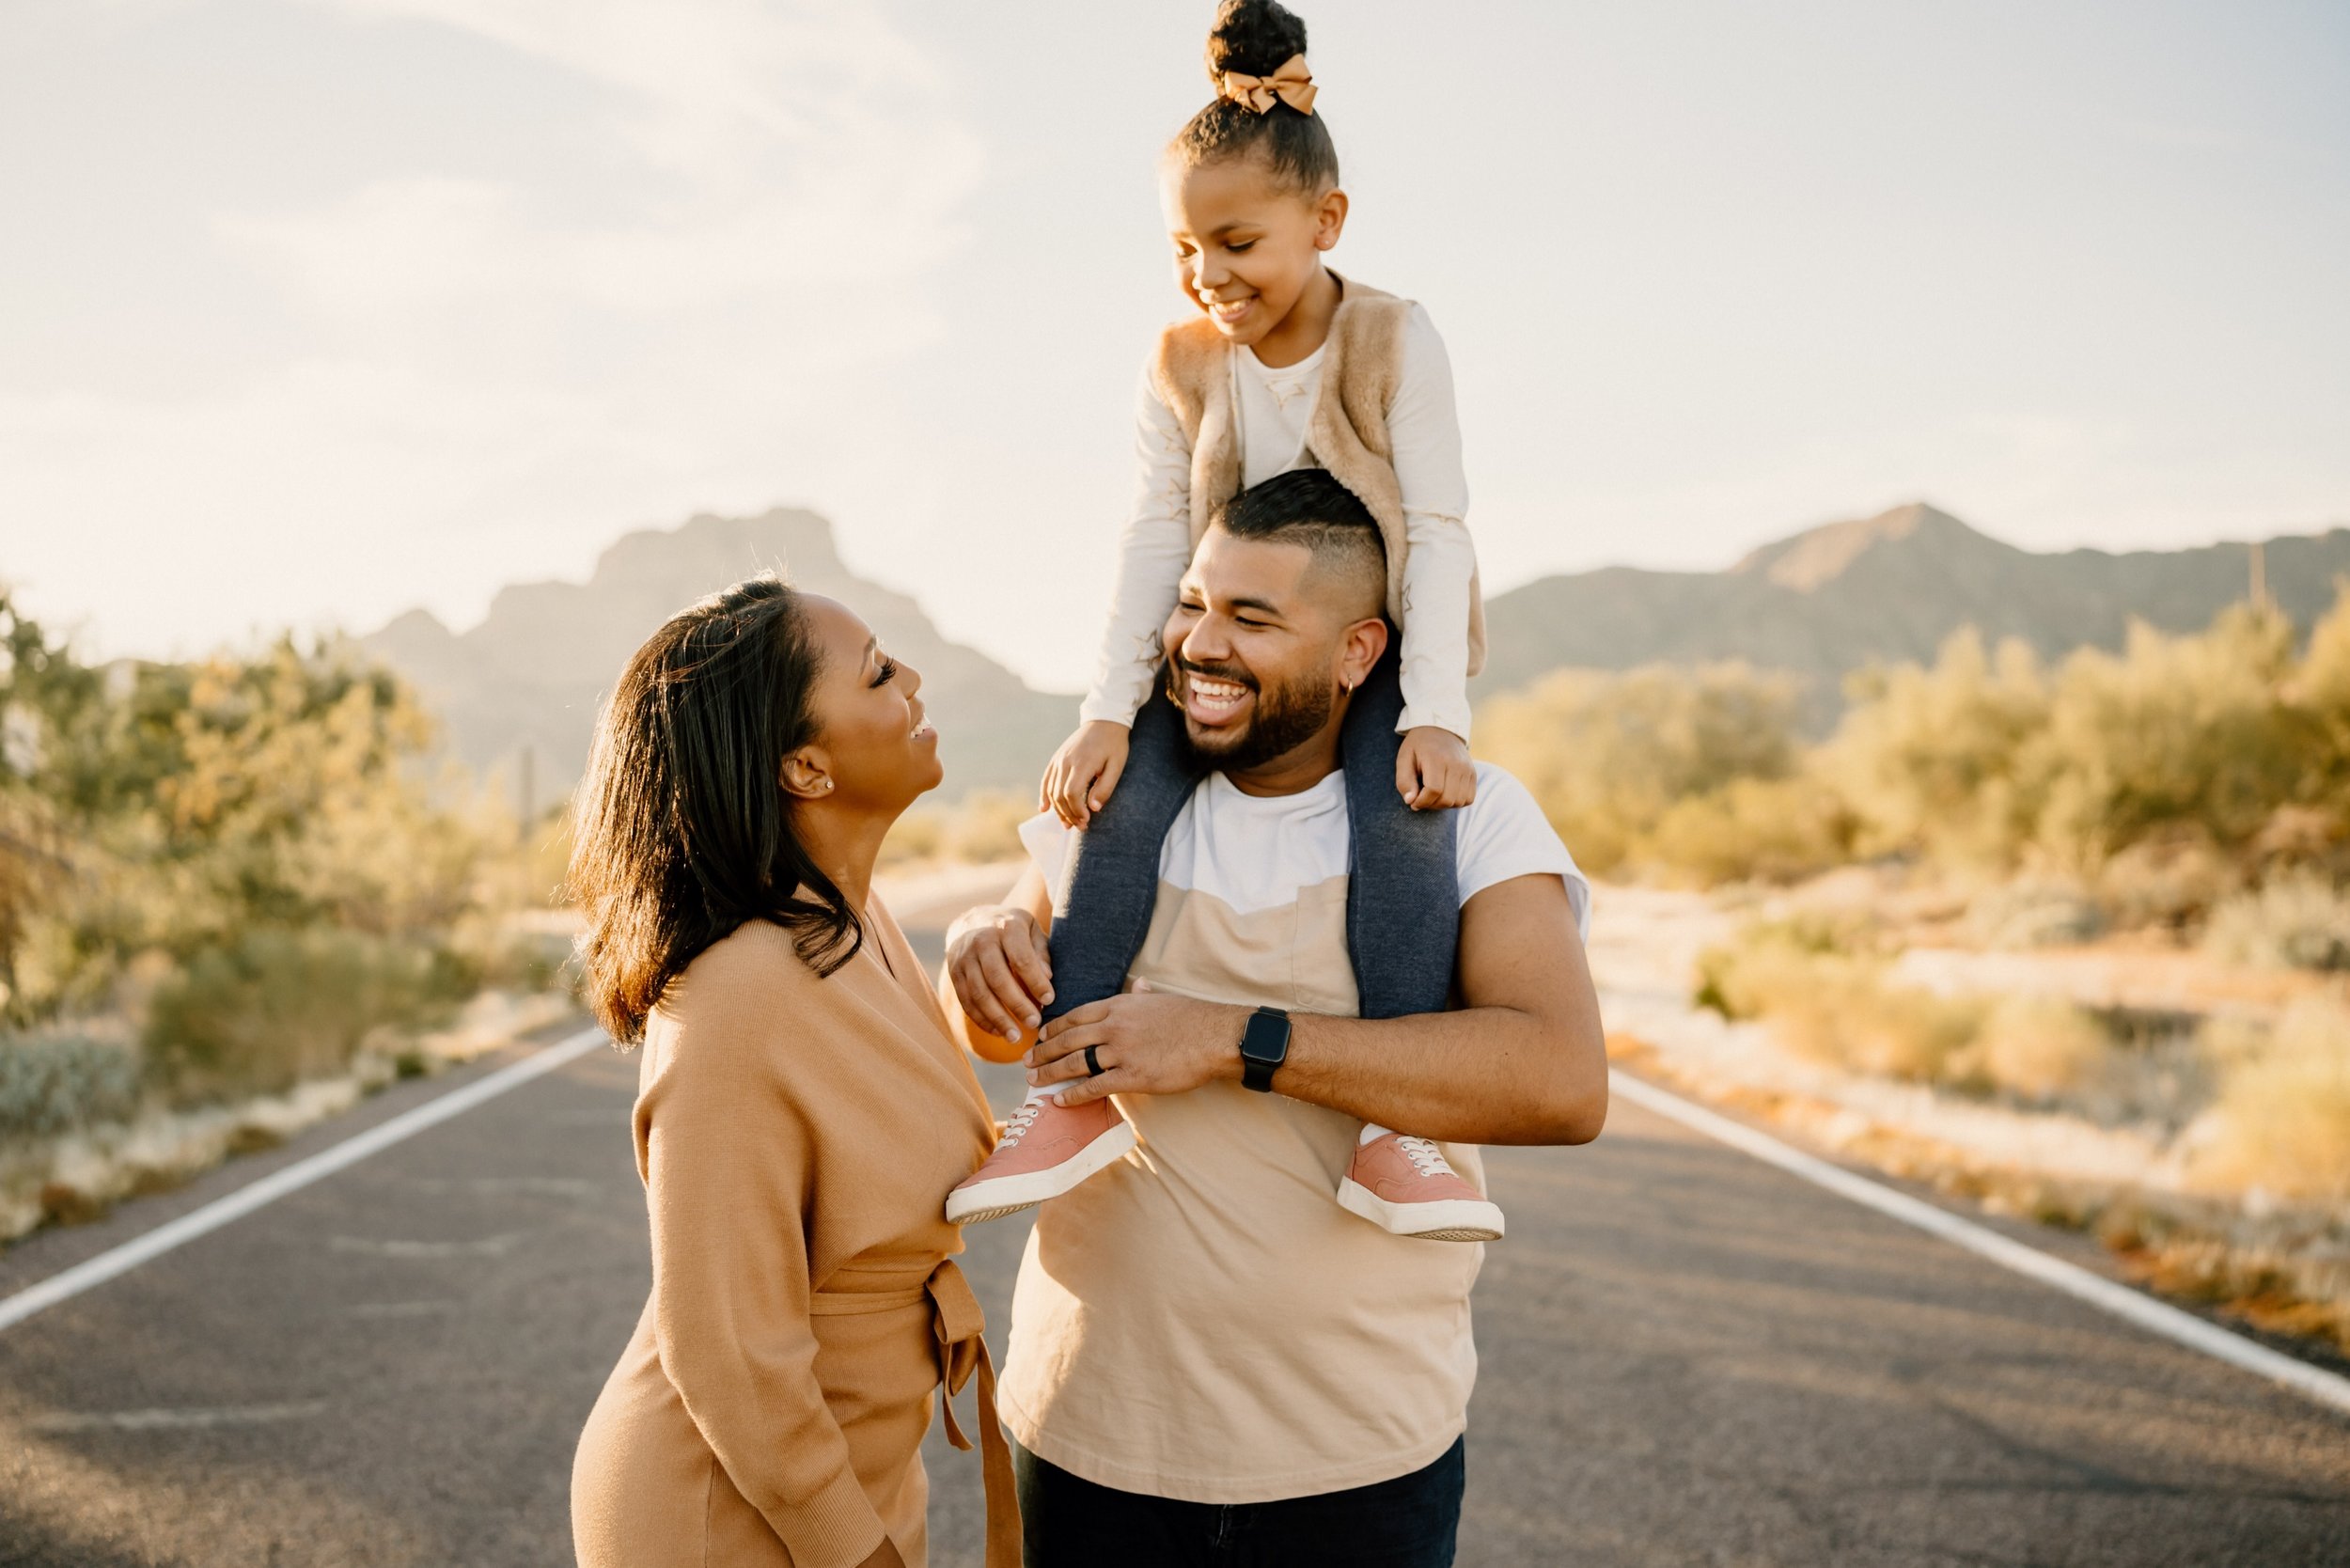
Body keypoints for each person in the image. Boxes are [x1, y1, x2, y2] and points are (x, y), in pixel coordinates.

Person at [939, 472, 1607, 1567]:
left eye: (1252, 618)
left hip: (1357, 1454)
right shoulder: (1109, 807)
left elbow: (1560, 1083)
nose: (1202, 642)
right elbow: (1004, 1034)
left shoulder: (1467, 817)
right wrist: (976, 944)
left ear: (1357, 653)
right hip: (1086, 1432)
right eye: (1195, 602)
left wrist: (1233, 1038)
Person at [948, 0, 1503, 1240]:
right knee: (1119, 807)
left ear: (1327, 222)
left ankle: (1396, 1128)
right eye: (1186, 250)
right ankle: (1074, 1089)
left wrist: (1435, 716)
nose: (1211, 276)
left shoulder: (1394, 338)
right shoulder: (1181, 359)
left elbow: (1445, 525)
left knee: (1404, 822)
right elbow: (1154, 533)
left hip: (1379, 656)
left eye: (1238, 241)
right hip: (1212, 653)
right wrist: (1105, 712)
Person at [568, 577, 1018, 1568]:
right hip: (730, 1510)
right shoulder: (733, 997)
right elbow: (727, 1357)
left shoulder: (857, 923)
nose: (912, 678)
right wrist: (854, 1550)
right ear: (805, 766)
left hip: (857, 1477)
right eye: (877, 673)